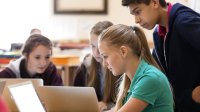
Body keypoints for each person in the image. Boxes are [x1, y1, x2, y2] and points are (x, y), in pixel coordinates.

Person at [121, 0, 200, 111]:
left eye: (138, 12)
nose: (136, 20)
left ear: (154, 3)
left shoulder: (184, 21)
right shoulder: (158, 34)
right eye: (133, 14)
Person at [98, 24, 173, 112]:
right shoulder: (132, 79)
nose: (104, 63)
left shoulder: (150, 78)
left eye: (105, 56)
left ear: (123, 51)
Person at [74, 21, 118, 111]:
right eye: (93, 46)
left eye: (100, 47)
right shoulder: (85, 67)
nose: (96, 52)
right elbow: (75, 97)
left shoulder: (120, 68)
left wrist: (108, 105)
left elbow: (126, 101)